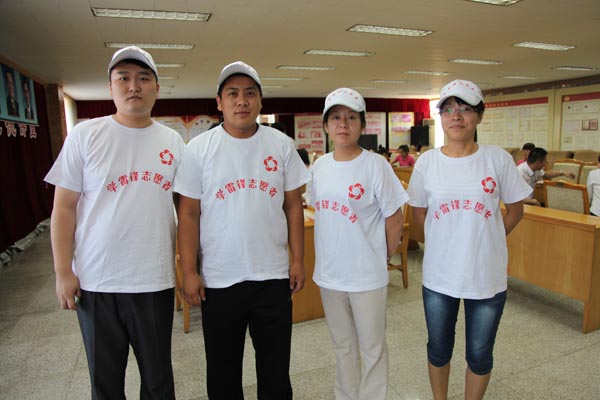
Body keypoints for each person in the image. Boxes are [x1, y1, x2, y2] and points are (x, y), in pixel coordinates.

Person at [44, 46, 184, 399]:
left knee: (158, 382)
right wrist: (63, 271)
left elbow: (187, 209)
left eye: (143, 78)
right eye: (123, 78)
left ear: (157, 88)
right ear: (110, 87)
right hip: (96, 282)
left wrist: (190, 267)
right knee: (105, 384)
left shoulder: (172, 141)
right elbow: (63, 207)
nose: (133, 86)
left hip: (153, 280)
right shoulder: (85, 135)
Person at [174, 61, 310, 399]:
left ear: (260, 101)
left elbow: (293, 205)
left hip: (273, 278)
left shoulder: (281, 145)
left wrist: (298, 260)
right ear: (219, 102)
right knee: (223, 376)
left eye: (250, 93)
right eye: (232, 94)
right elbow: (188, 214)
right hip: (219, 281)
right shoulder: (198, 150)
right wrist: (188, 271)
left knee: (275, 374)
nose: (242, 101)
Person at [407, 79, 531, 400]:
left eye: (465, 109)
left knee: (479, 352)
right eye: (448, 110)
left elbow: (516, 211)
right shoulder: (427, 162)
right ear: (440, 117)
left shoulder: (497, 159)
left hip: (485, 275)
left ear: (479, 116)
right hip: (439, 275)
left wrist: (489, 238)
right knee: (438, 348)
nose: (456, 116)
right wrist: (443, 241)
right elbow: (419, 214)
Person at [311, 87, 408, 399]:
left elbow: (395, 218)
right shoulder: (320, 166)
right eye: (336, 117)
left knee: (372, 348)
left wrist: (381, 256)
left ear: (362, 125)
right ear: (326, 125)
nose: (343, 123)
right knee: (343, 346)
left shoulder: (375, 165)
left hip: (366, 275)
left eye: (351, 117)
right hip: (330, 274)